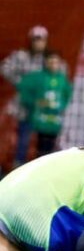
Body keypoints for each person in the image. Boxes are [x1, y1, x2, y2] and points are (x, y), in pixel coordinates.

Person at [0, 26, 49, 167]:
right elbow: (4, 67)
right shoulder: (22, 56)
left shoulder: (47, 60)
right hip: (25, 105)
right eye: (36, 40)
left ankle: (42, 167)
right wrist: (20, 82)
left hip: (42, 106)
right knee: (23, 136)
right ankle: (18, 165)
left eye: (41, 40)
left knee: (43, 138)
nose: (38, 43)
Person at [18, 50, 73, 157]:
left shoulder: (62, 78)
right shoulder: (38, 77)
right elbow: (23, 88)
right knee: (40, 147)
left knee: (51, 148)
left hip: (55, 122)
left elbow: (67, 94)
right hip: (41, 121)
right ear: (46, 63)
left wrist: (62, 105)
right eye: (50, 62)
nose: (53, 65)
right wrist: (34, 102)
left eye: (55, 62)